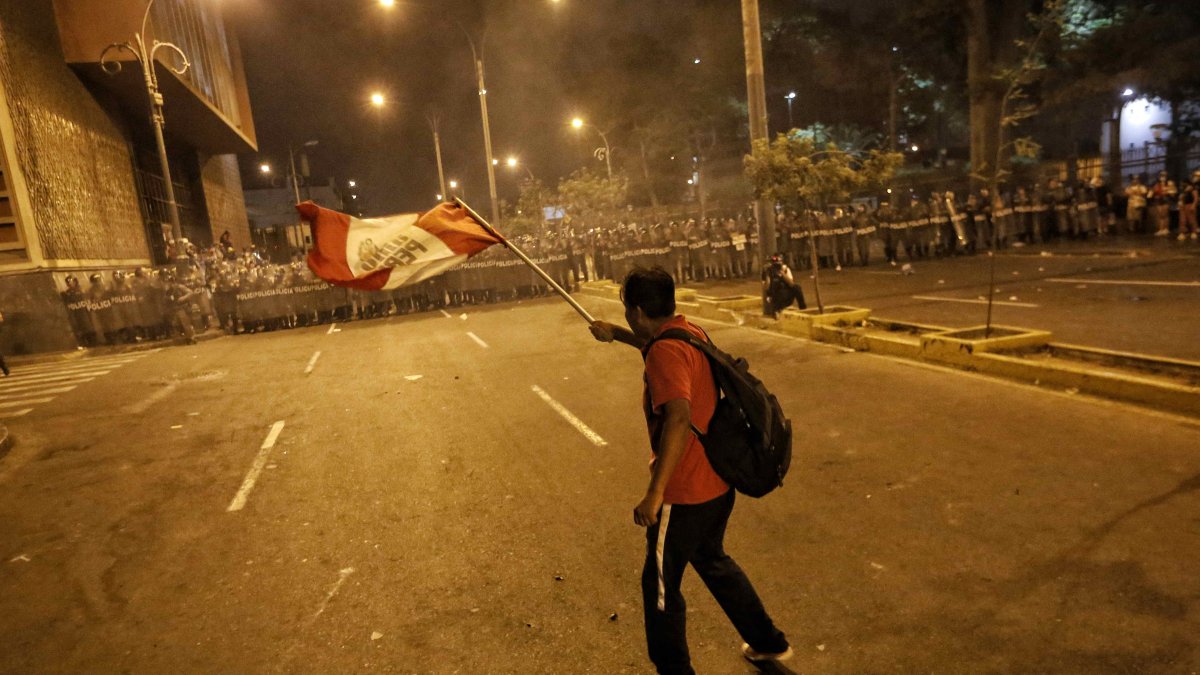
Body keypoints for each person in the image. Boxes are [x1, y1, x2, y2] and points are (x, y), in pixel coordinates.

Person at [588, 267, 791, 674]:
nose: (627, 316)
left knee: (660, 585)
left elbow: (678, 417)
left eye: (627, 310)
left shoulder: (665, 351)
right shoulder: (687, 331)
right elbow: (661, 348)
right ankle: (767, 642)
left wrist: (654, 493)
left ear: (639, 311)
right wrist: (617, 334)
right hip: (718, 481)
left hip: (685, 491)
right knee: (712, 559)